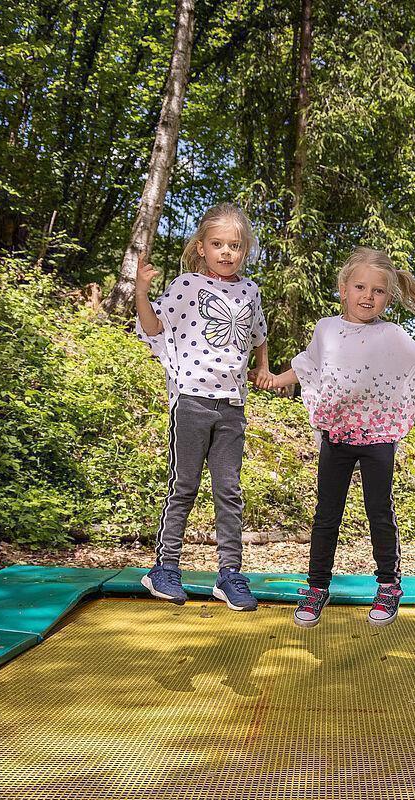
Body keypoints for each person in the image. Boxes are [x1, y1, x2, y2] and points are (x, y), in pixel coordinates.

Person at [259, 247, 415, 628]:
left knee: (379, 510)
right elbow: (308, 365)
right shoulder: (326, 328)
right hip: (337, 435)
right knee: (327, 514)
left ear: (388, 298)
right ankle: (316, 586)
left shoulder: (390, 333)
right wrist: (277, 379)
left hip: (378, 434)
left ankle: (389, 584)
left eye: (377, 291)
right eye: (360, 286)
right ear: (343, 288)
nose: (367, 296)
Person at [133, 202, 272, 612]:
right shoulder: (186, 286)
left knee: (229, 491)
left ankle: (229, 575)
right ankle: (164, 567)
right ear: (201, 248)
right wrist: (141, 291)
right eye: (218, 244)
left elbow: (259, 332)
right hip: (192, 400)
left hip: (232, 405)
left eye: (235, 246)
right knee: (185, 485)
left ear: (244, 251)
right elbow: (155, 326)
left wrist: (263, 368)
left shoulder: (250, 290)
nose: (226, 252)